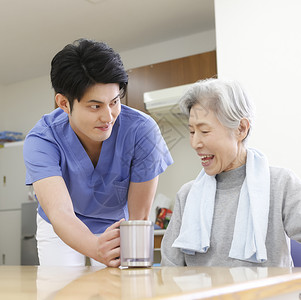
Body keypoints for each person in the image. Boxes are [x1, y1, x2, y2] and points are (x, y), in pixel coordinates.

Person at [23, 38, 173, 267]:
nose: (108, 116)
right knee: (60, 288)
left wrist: (136, 264)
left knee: (117, 287)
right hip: (60, 226)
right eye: (95, 106)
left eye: (114, 102)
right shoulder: (42, 140)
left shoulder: (141, 131)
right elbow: (60, 213)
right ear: (64, 103)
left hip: (117, 225)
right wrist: (94, 248)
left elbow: (139, 217)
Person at [161, 78, 301, 267]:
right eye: (192, 132)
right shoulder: (187, 195)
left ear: (241, 129)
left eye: (204, 131)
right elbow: (170, 271)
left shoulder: (280, 184)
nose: (195, 143)